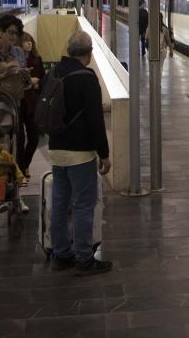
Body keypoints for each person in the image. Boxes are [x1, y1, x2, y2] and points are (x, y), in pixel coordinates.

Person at [48, 31, 112, 276]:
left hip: (56, 149)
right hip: (80, 153)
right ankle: (84, 258)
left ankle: (61, 254)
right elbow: (95, 120)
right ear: (89, 53)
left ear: (68, 48)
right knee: (84, 204)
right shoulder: (87, 77)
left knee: (60, 203)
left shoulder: (54, 72)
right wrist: (104, 153)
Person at [18, 31, 45, 182]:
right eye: (26, 41)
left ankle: (25, 164)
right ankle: (21, 170)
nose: (29, 43)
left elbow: (43, 79)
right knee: (20, 139)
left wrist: (37, 83)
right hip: (18, 102)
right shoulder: (15, 61)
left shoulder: (37, 59)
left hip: (32, 103)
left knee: (34, 137)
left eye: (30, 41)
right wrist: (29, 82)